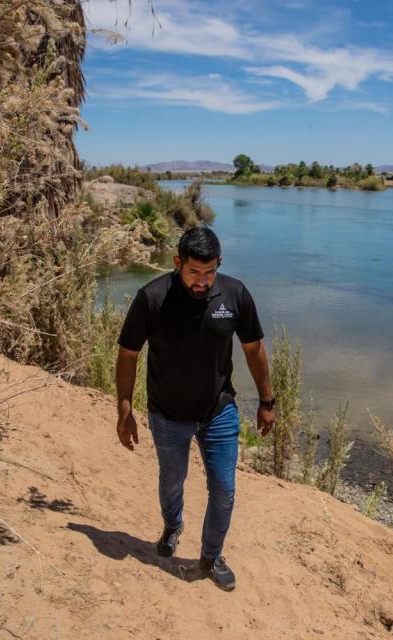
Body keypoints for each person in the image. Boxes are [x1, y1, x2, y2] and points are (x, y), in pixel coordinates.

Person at [115, 225, 275, 591]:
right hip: (167, 414)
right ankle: (173, 526)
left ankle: (211, 554)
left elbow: (254, 350)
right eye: (193, 272)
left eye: (210, 272)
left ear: (219, 264)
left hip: (218, 412)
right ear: (177, 263)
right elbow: (128, 354)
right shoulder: (152, 298)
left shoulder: (235, 295)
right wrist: (124, 406)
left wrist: (267, 401)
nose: (203, 281)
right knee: (172, 481)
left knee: (224, 487)